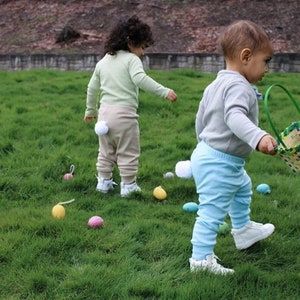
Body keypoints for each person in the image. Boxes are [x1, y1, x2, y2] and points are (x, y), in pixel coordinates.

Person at [189, 20, 277, 275]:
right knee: (211, 212)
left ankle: (243, 230)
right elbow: (234, 117)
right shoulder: (239, 86)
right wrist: (258, 137)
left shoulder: (216, 84)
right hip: (220, 161)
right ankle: (201, 260)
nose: (267, 69)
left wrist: (201, 146)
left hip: (210, 154)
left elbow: (200, 119)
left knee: (242, 187)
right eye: (266, 61)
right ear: (246, 57)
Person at [84, 15, 177, 197]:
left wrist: (90, 110)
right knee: (128, 151)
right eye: (141, 47)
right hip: (124, 116)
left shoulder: (103, 61)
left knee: (105, 151)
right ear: (129, 42)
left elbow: (92, 88)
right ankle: (128, 186)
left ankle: (103, 183)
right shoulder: (132, 60)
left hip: (104, 117)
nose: (142, 52)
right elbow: (140, 79)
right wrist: (164, 91)